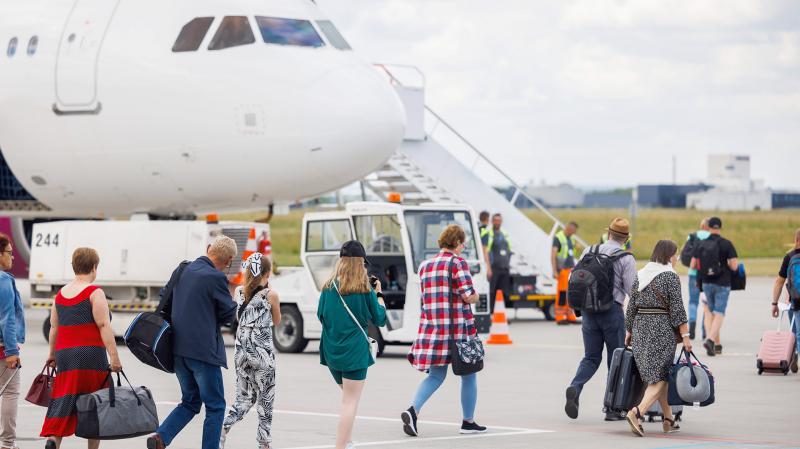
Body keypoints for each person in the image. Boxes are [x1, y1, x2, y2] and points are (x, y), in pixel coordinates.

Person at [146, 236, 238, 449]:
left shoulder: (182, 269)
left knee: (190, 401)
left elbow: (164, 298)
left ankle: (161, 437)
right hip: (203, 353)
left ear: (208, 248)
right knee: (215, 406)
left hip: (178, 350)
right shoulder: (216, 278)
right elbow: (228, 315)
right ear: (228, 261)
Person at [403, 224, 486, 437]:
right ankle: (468, 422)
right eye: (463, 243)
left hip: (433, 331)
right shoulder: (458, 263)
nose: (463, 246)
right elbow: (468, 295)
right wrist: (477, 296)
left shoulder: (425, 266)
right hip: (458, 332)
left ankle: (413, 410)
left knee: (435, 376)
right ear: (456, 242)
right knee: (469, 375)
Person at [41, 248, 122, 449]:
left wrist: (52, 354)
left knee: (64, 398)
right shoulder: (95, 292)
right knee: (96, 401)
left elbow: (54, 327)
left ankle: (53, 439)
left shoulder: (60, 295)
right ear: (94, 267)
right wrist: (114, 358)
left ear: (74, 267)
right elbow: (103, 325)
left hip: (65, 355)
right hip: (91, 355)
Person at [564, 218, 636, 421]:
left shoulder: (589, 250)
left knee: (591, 357)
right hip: (611, 312)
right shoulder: (626, 258)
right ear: (626, 238)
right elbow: (632, 291)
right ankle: (612, 409)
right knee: (616, 360)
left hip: (588, 311)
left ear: (609, 233)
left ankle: (575, 387)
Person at [317, 240, 386, 449]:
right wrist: (379, 294)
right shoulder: (364, 289)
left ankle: (347, 441)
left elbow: (321, 316)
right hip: (354, 352)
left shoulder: (328, 287)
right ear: (360, 263)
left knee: (347, 397)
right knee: (350, 401)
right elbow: (380, 318)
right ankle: (341, 445)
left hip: (331, 351)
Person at [624, 240, 691, 437]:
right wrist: (686, 336)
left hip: (640, 329)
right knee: (660, 376)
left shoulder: (641, 274)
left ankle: (668, 419)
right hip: (661, 330)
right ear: (669, 255)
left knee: (658, 374)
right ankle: (637, 412)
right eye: (676, 255)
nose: (677, 258)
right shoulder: (670, 276)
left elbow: (631, 306)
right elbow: (678, 310)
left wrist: (629, 331)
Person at [221, 253, 281, 449]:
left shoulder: (239, 292)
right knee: (265, 397)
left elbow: (240, 317)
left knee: (244, 398)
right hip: (261, 353)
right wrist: (269, 289)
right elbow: (277, 321)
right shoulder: (271, 295)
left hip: (241, 352)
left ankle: (223, 428)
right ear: (267, 273)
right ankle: (263, 443)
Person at [690, 216, 738, 357]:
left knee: (709, 312)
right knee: (719, 312)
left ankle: (716, 344)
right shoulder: (727, 244)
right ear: (720, 228)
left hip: (706, 282)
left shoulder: (701, 244)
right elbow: (734, 266)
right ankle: (710, 340)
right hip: (723, 282)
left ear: (708, 227)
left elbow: (693, 265)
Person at [0, 233, 23, 449]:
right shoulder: (3, 280)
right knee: (10, 393)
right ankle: (7, 443)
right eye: (9, 252)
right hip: (2, 349)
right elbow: (7, 318)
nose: (12, 257)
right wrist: (11, 351)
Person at [771, 228, 800, 372]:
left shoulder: (789, 256)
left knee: (796, 332)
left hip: (795, 300)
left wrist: (775, 303)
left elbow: (779, 282)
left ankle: (795, 352)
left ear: (796, 240)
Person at [682, 218, 711, 340]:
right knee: (707, 303)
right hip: (708, 274)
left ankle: (692, 321)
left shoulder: (692, 236)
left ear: (701, 225)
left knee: (693, 301)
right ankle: (705, 329)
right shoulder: (713, 238)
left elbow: (685, 252)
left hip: (693, 273)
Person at [552, 222, 579, 324]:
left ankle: (570, 316)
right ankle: (560, 317)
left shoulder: (571, 238)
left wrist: (576, 248)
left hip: (570, 270)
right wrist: (554, 270)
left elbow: (570, 253)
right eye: (573, 231)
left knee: (570, 294)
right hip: (562, 270)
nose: (574, 233)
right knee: (562, 294)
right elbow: (553, 254)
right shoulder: (558, 238)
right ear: (569, 229)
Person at [485, 213, 511, 312]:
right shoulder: (489, 234)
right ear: (492, 221)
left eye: (499, 220)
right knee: (492, 292)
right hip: (494, 268)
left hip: (504, 268)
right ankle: (492, 313)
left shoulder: (504, 234)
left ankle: (500, 313)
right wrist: (488, 268)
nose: (497, 222)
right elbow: (486, 251)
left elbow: (509, 250)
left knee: (504, 292)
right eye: (495, 220)